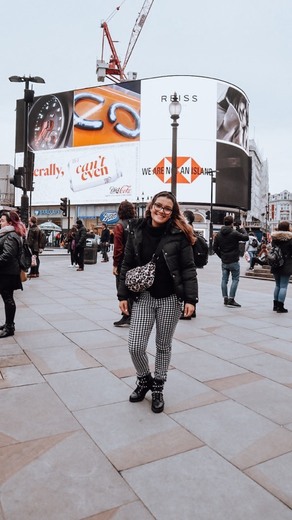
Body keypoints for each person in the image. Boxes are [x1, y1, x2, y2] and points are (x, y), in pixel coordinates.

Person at [117, 191, 198, 413]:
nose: (161, 211)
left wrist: (191, 299)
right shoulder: (136, 229)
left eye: (167, 208)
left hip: (170, 299)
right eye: (158, 205)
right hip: (143, 297)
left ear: (172, 212)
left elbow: (188, 268)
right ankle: (144, 380)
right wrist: (122, 294)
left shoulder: (178, 234)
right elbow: (127, 263)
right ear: (151, 206)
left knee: (163, 346)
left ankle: (158, 387)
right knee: (135, 346)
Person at [0, 211, 26, 337]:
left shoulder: (10, 235)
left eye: (2, 220)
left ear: (10, 223)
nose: (0, 222)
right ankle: (9, 323)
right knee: (8, 298)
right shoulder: (10, 234)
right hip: (8, 271)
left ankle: (10, 327)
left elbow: (8, 255)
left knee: (8, 299)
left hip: (8, 272)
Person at [213, 215, 248, 307]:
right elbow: (246, 237)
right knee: (235, 279)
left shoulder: (219, 234)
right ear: (232, 223)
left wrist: (221, 256)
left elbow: (214, 247)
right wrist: (242, 228)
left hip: (224, 261)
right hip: (234, 260)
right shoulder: (234, 233)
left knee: (224, 280)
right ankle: (231, 299)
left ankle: (225, 298)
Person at [113, 200, 135, 327]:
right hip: (135, 261)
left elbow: (118, 248)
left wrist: (115, 264)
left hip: (123, 262)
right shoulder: (136, 224)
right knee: (132, 287)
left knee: (121, 288)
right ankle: (132, 313)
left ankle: (127, 315)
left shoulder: (119, 226)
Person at [270, 221, 292, 313]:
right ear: (288, 228)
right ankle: (280, 306)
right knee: (283, 286)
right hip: (286, 264)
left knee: (277, 285)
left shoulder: (274, 238)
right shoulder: (290, 239)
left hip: (275, 263)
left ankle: (275, 305)